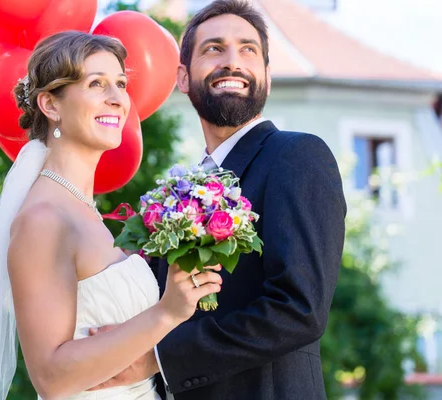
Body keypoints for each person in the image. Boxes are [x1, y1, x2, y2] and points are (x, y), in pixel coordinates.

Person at [0, 31, 222, 400]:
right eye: (96, 84)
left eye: (120, 83)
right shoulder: (44, 219)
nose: (117, 99)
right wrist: (167, 313)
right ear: (50, 105)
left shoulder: (83, 210)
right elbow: (51, 378)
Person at [89, 1, 347, 399]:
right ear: (183, 78)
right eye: (213, 49)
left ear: (266, 76)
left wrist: (158, 358)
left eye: (248, 50)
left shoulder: (295, 157)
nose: (233, 62)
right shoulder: (178, 194)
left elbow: (299, 308)